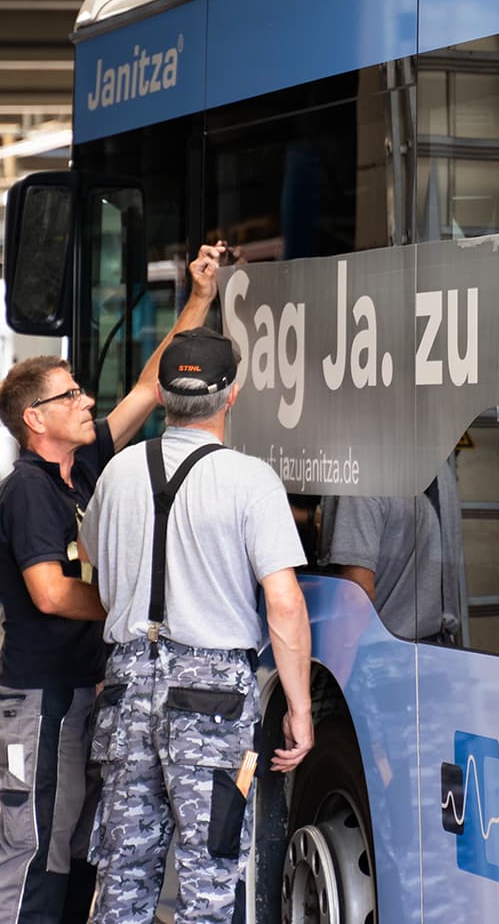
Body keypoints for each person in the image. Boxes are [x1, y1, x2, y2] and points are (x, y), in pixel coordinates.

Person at [0, 243, 223, 924]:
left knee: (81, 851)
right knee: (33, 853)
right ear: (35, 418)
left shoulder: (81, 468)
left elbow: (150, 386)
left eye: (82, 391)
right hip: (42, 699)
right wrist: (130, 604)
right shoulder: (27, 490)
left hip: (79, 693)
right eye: (71, 395)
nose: (88, 400)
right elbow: (52, 592)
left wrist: (198, 299)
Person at [79, 328, 315, 924]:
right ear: (231, 395)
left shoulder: (116, 473)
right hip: (210, 696)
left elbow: (96, 560)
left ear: (161, 394)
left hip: (128, 684)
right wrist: (299, 708)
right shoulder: (250, 481)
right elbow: (283, 602)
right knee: (208, 878)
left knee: (124, 871)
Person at [321, 451, 464, 643]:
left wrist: (339, 660)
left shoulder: (362, 476)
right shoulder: (441, 472)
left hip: (381, 650)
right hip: (436, 648)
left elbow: (356, 594)